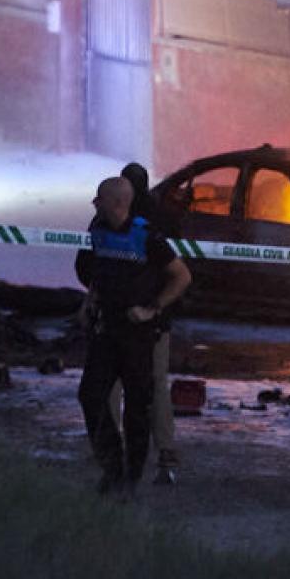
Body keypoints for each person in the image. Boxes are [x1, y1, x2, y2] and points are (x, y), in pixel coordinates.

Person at [75, 176, 192, 494]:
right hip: (106, 329)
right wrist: (89, 303)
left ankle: (130, 478)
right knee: (90, 395)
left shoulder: (147, 236)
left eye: (98, 197)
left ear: (115, 202)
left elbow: (181, 277)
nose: (93, 203)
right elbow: (99, 271)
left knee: (137, 406)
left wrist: (152, 309)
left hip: (138, 335)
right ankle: (112, 466)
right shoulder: (98, 230)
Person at [104, 161, 183, 485]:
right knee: (155, 384)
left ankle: (111, 447)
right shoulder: (162, 220)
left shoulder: (114, 222)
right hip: (153, 318)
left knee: (114, 383)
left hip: (127, 318)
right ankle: (165, 452)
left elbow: (90, 265)